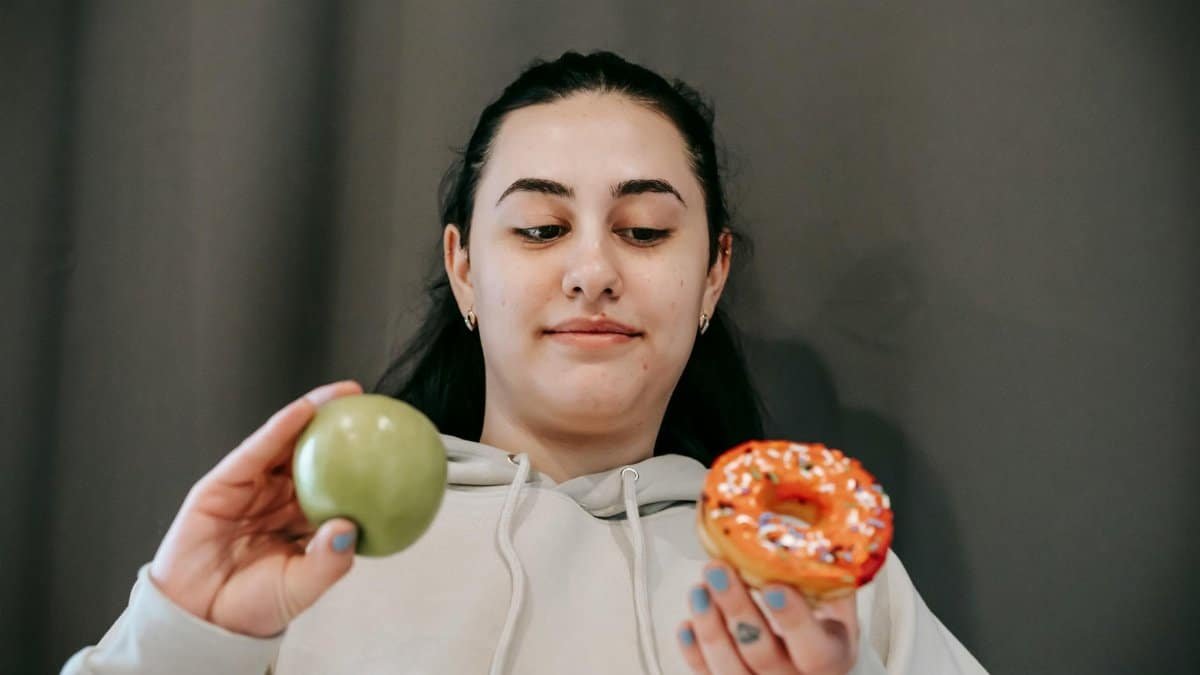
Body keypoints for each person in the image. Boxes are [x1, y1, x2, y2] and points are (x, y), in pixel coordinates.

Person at [62, 50, 988, 675]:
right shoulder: (296, 555)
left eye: (645, 230)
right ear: (464, 268)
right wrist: (183, 632)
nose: (593, 270)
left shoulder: (822, 595)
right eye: (541, 228)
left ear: (713, 275)